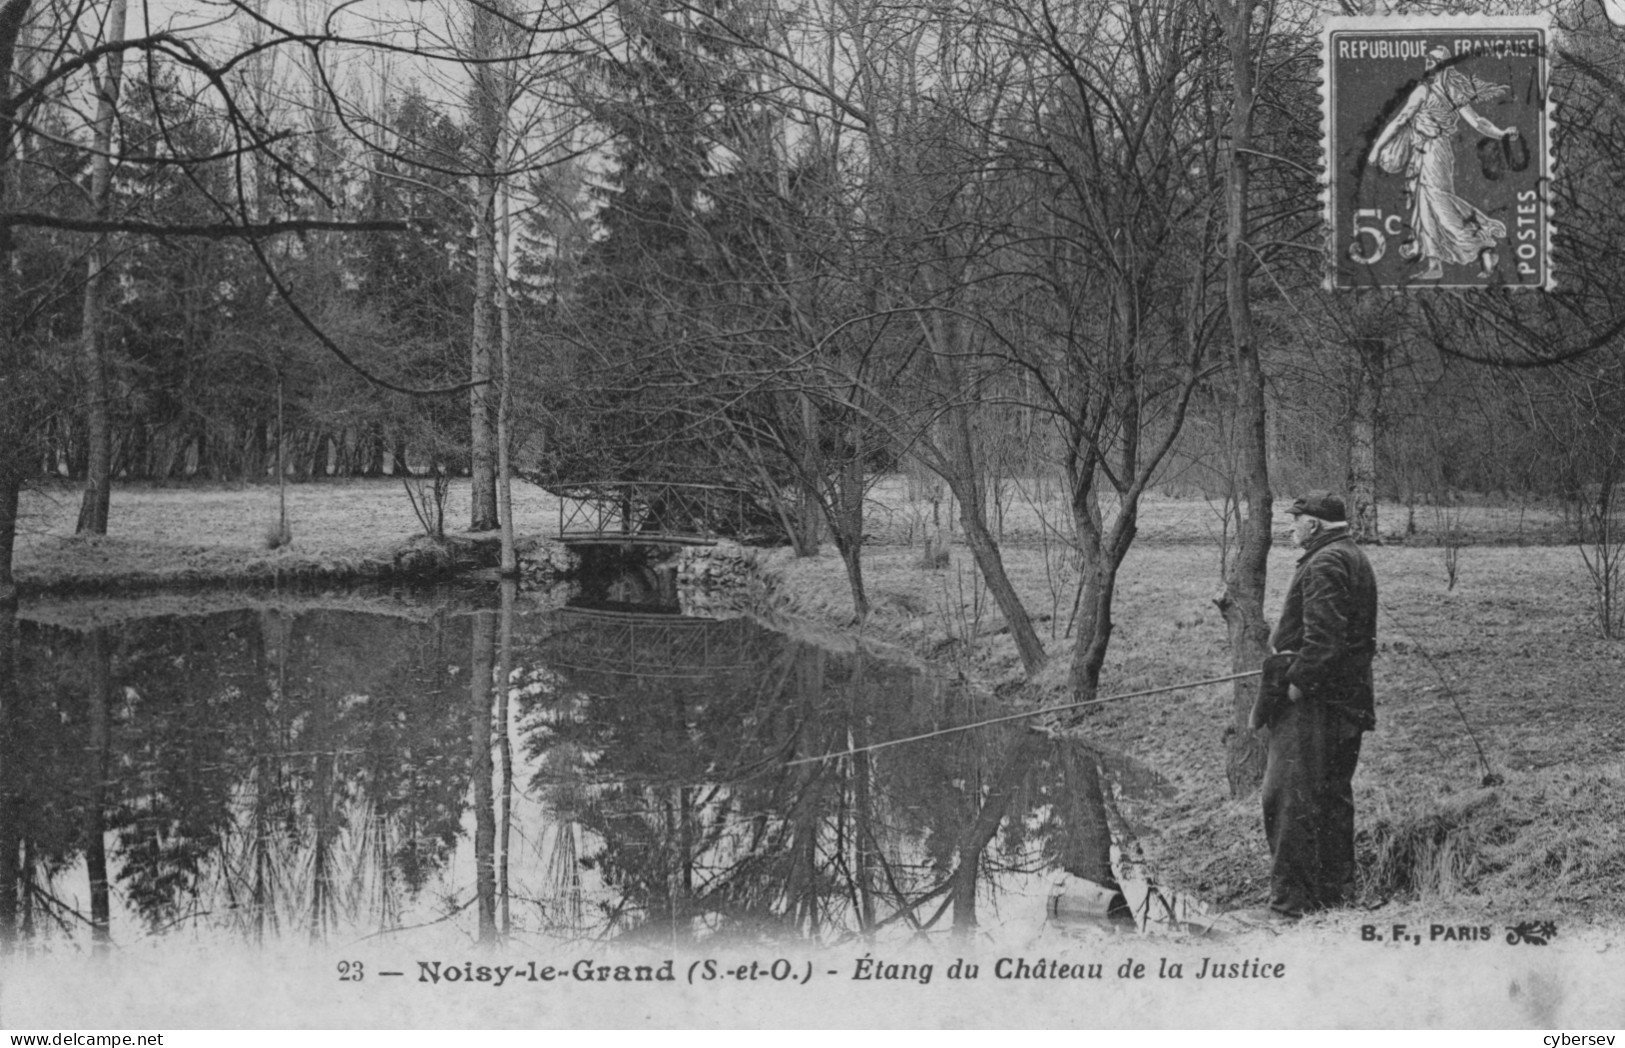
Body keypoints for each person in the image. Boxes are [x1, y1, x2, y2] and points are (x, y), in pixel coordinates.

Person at [1261, 491, 1378, 919]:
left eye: (1297, 520)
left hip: (1316, 706)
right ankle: (1333, 900)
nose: (1292, 526)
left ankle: (1290, 908)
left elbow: (1323, 642)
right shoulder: (1351, 555)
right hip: (1345, 702)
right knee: (1330, 799)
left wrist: (1295, 687)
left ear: (1313, 525)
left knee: (1288, 801)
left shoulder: (1327, 562)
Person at [1367, 45, 1519, 281]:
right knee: (1424, 205)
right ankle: (1434, 262)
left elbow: (1477, 121)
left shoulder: (1447, 92)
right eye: (1429, 59)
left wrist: (1501, 134)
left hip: (1435, 153)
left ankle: (1482, 242)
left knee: (1439, 204)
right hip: (1422, 153)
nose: (1431, 64)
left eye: (1436, 60)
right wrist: (1377, 148)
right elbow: (1401, 120)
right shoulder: (1425, 91)